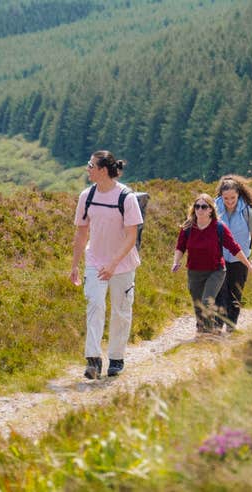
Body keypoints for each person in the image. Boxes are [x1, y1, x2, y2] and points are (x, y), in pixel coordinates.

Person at [70, 150, 143, 380]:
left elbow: (132, 237)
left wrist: (113, 264)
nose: (87, 168)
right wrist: (74, 265)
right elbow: (81, 232)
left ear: (103, 170)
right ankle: (92, 360)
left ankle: (116, 358)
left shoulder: (126, 198)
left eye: (91, 165)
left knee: (121, 310)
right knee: (95, 304)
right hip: (95, 260)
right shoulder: (86, 196)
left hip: (122, 263)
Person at [172, 193, 252, 334]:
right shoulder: (187, 227)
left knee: (207, 302)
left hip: (215, 271)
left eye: (203, 207)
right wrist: (176, 262)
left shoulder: (219, 227)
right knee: (198, 304)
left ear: (211, 209)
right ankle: (202, 327)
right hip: (194, 271)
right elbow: (180, 247)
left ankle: (209, 333)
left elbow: (234, 248)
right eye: (197, 206)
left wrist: (249, 265)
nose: (200, 210)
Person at [213, 175, 252, 332]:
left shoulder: (247, 211)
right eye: (226, 198)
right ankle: (217, 325)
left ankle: (231, 326)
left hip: (240, 260)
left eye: (232, 198)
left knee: (235, 294)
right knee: (219, 292)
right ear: (221, 196)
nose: (229, 201)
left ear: (238, 195)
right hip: (218, 259)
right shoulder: (213, 208)